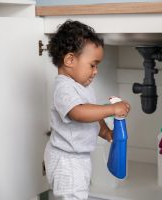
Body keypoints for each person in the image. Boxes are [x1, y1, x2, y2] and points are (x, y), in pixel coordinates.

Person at [43, 20, 130, 200]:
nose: (96, 71)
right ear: (70, 60)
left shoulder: (81, 86)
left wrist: (105, 131)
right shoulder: (64, 87)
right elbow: (79, 113)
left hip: (77, 158)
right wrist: (111, 109)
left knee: (78, 194)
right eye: (93, 65)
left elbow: (91, 113)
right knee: (74, 196)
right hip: (66, 160)